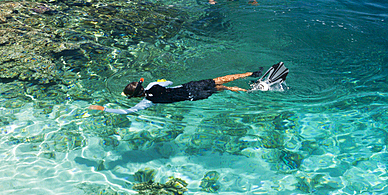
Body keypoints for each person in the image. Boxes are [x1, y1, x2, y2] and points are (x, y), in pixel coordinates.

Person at [89, 63, 288, 114]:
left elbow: (127, 111)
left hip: (194, 96)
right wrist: (162, 81)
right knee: (220, 79)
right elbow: (166, 83)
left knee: (225, 88)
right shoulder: (152, 86)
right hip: (191, 86)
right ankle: (251, 74)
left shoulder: (147, 102)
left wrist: (104, 108)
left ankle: (251, 90)